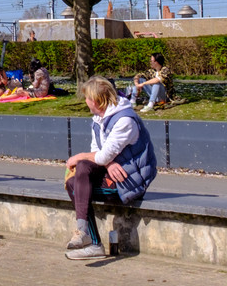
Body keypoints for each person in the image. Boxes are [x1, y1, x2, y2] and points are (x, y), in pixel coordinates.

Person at [63, 76, 158, 260]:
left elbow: (99, 156)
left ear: (97, 100)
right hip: (112, 176)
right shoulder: (99, 119)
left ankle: (92, 241)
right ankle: (85, 234)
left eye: (87, 98)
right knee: (76, 178)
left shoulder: (125, 121)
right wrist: (108, 162)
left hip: (129, 182)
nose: (85, 102)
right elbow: (97, 154)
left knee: (77, 178)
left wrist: (81, 156)